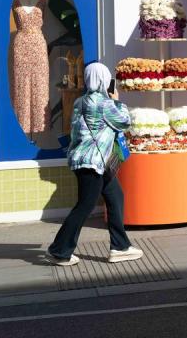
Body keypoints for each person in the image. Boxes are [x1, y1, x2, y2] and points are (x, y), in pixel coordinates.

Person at [46, 62, 143, 266]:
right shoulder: (104, 104)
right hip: (93, 161)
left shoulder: (79, 102)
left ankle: (120, 247)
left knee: (115, 196)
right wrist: (117, 101)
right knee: (85, 206)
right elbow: (125, 121)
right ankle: (60, 250)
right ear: (104, 79)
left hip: (87, 159)